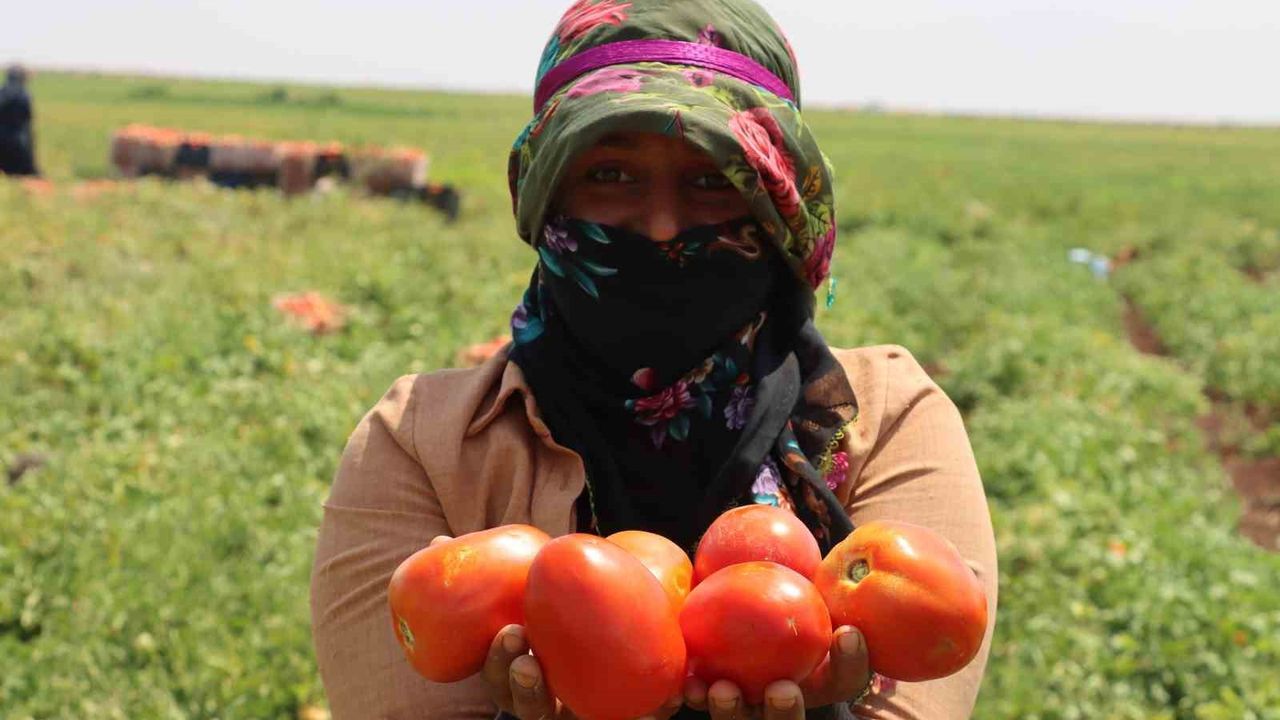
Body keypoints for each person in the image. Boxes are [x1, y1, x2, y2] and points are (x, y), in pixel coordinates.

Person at [310, 1, 998, 719]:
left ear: (777, 201)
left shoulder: (889, 416)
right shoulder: (422, 441)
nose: (663, 225)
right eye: (611, 174)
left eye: (712, 179)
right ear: (545, 191)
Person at [0, 64, 39, 177]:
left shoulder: (2, 93)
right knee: (28, 176)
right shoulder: (24, 95)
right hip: (18, 145)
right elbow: (26, 125)